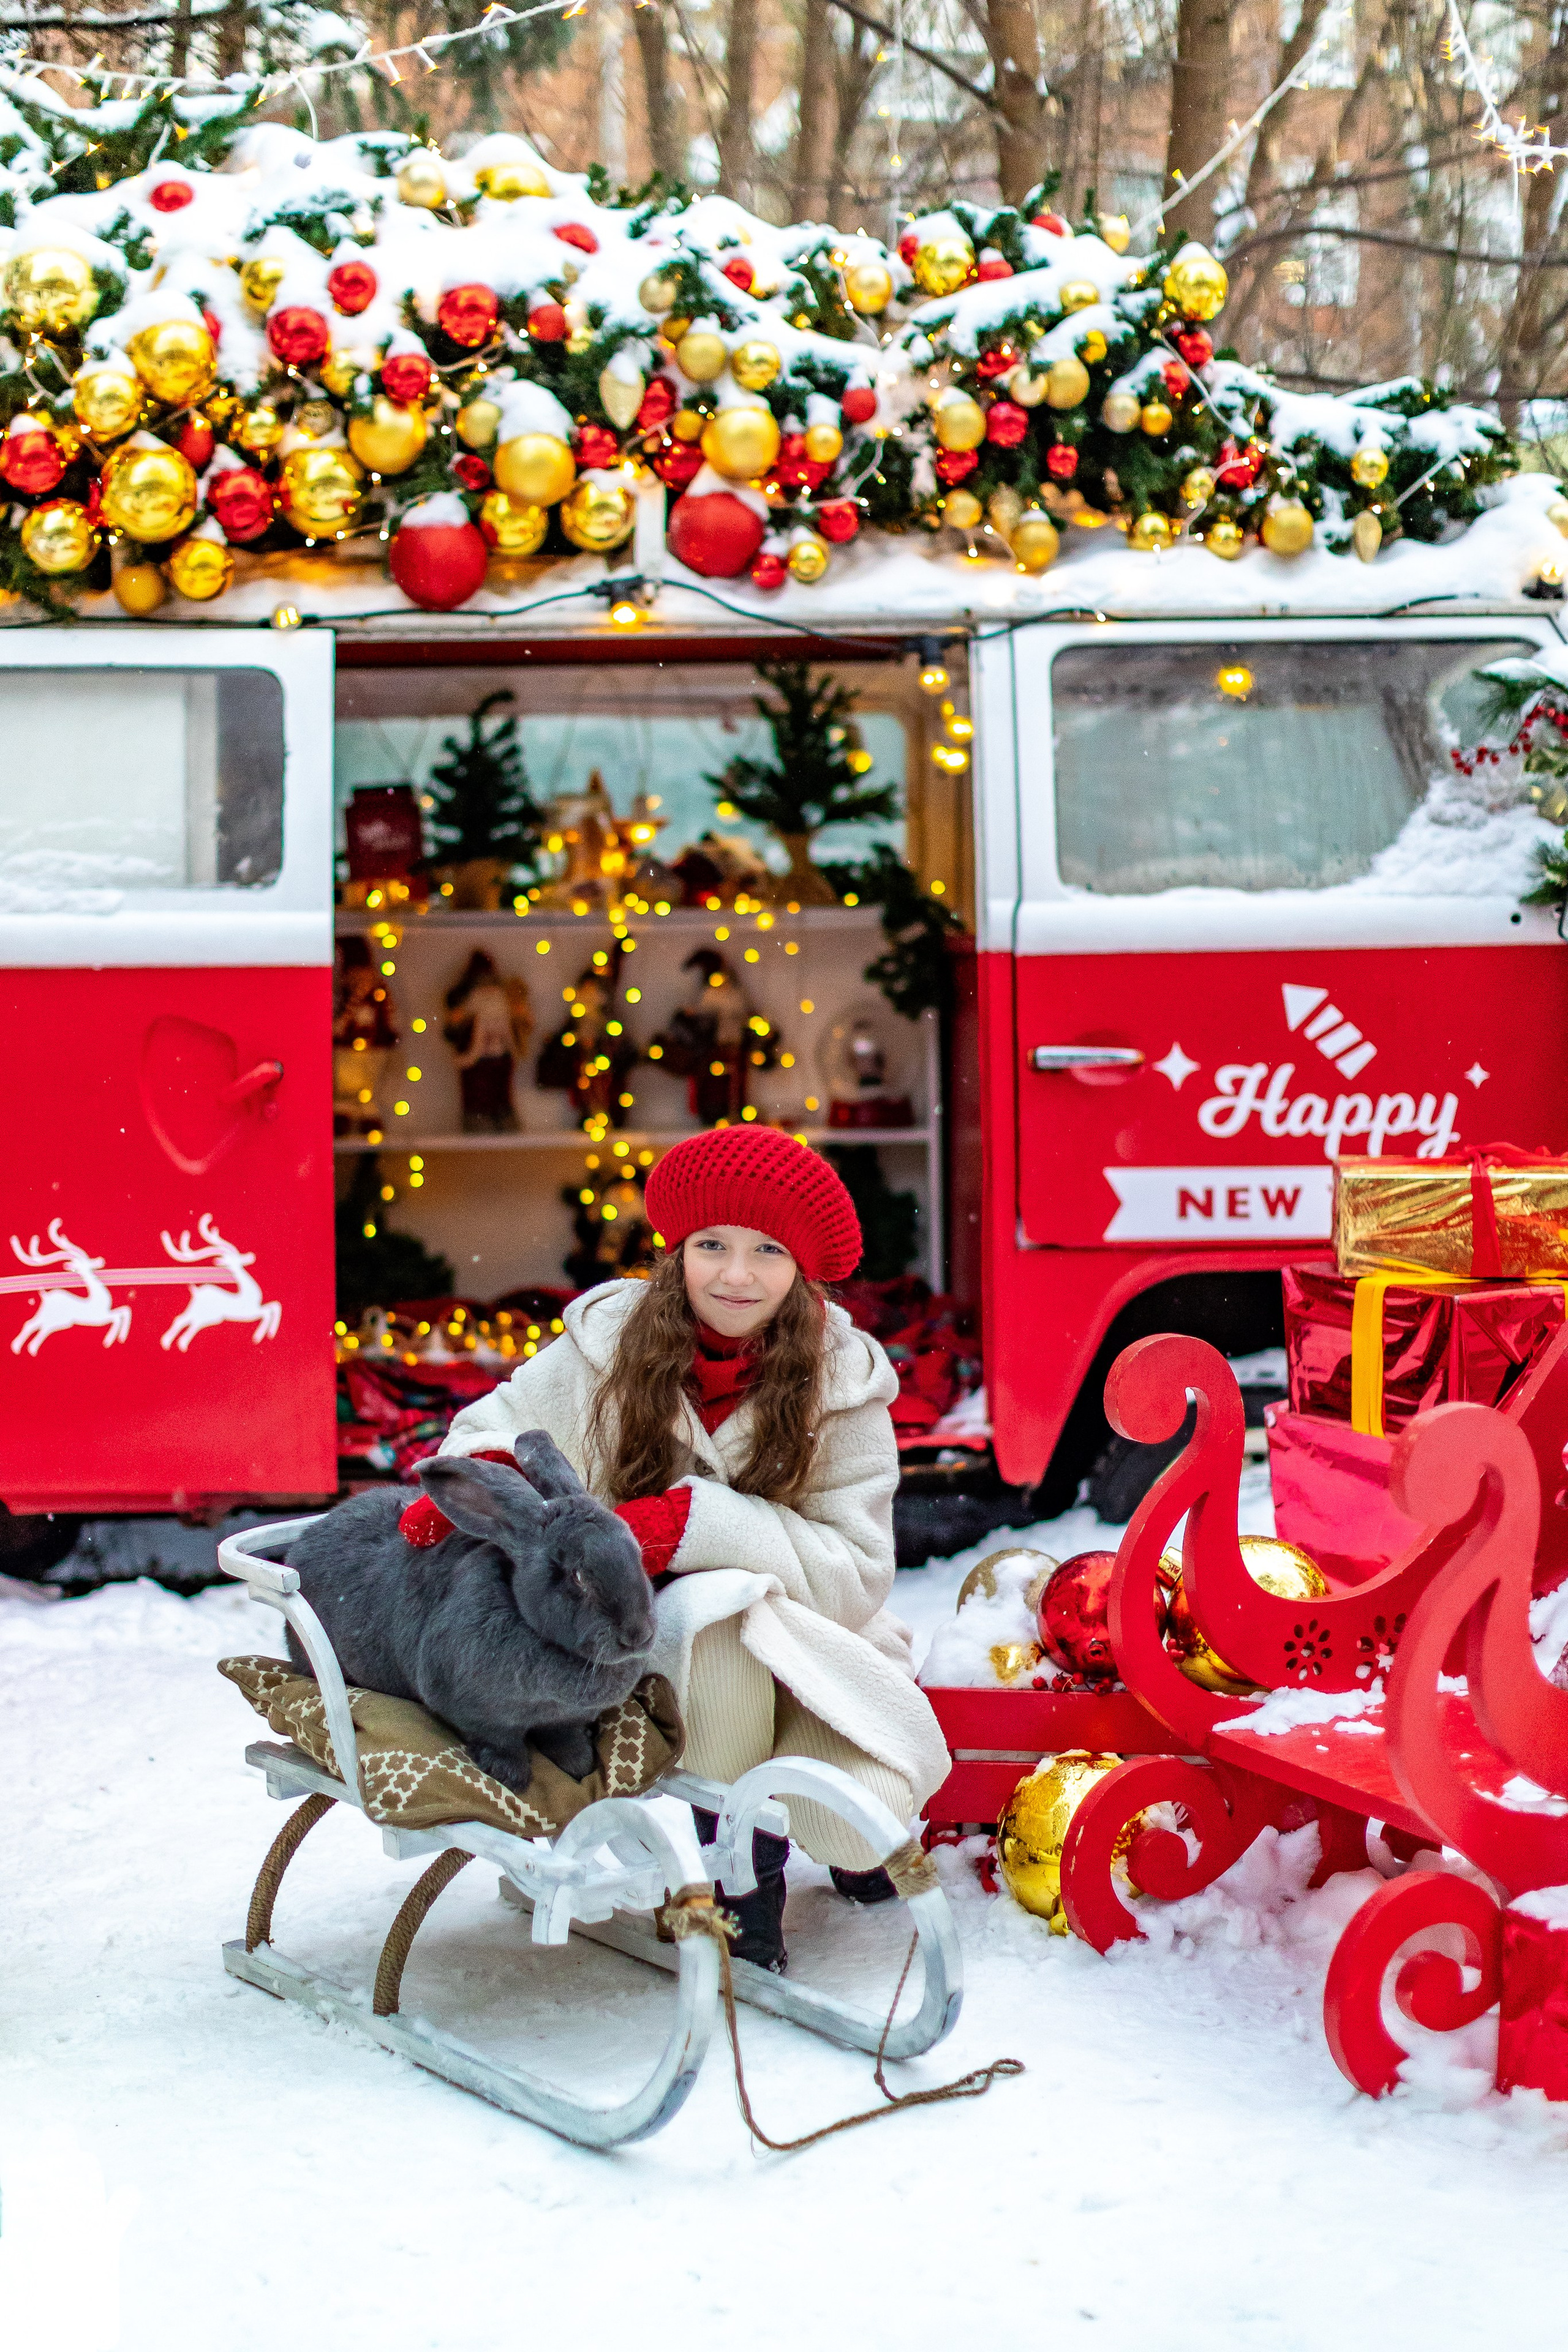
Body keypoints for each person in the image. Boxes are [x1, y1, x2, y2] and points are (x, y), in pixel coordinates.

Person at [399, 1123, 949, 1972]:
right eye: (712, 1245)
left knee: (850, 1817)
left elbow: (859, 1573)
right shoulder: (611, 1341)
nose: (736, 1275)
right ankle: (738, 1884)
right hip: (649, 1641)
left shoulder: (842, 1382)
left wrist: (693, 1523)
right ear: (678, 1251)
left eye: (767, 1251)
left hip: (813, 1645)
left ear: (800, 1268)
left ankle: (848, 1844)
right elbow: (500, 1425)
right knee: (712, 1618)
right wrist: (489, 1475)